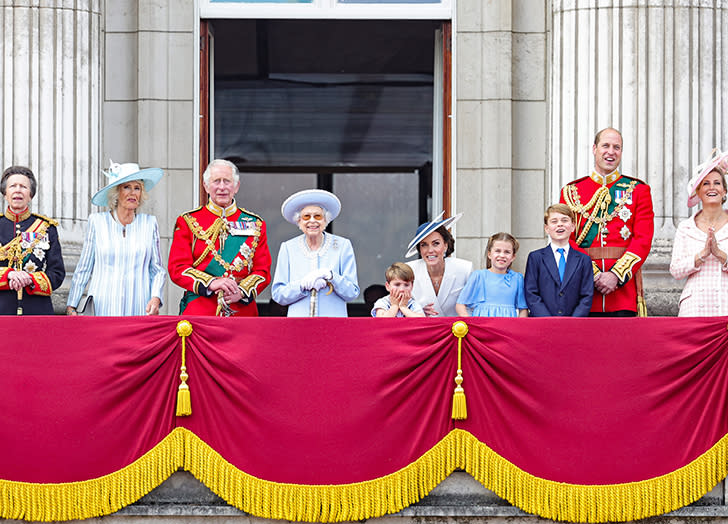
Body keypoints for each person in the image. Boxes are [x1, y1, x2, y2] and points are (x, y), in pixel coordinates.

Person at [560, 127, 654, 316]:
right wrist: (593, 274)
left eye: (616, 147)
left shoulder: (637, 190)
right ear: (594, 149)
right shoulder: (572, 192)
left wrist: (616, 276)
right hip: (584, 290)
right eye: (606, 146)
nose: (611, 152)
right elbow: (565, 239)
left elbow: (642, 240)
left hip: (622, 292)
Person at [168, 159, 271, 316]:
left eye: (227, 181)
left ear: (236, 187)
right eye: (216, 181)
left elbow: (262, 271)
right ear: (206, 186)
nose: (222, 187)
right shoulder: (188, 221)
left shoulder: (256, 224)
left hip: (241, 310)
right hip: (200, 309)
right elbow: (178, 268)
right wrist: (212, 283)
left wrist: (242, 292)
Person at [66, 161, 166, 316]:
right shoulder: (97, 222)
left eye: (137, 188)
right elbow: (84, 267)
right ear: (116, 192)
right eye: (127, 187)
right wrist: (72, 305)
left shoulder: (149, 223)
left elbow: (157, 270)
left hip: (139, 308)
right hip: (103, 307)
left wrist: (155, 298)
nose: (132, 193)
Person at [272, 189, 359, 317]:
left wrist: (331, 276)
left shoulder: (342, 246)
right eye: (306, 217)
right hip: (299, 325)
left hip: (334, 324)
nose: (312, 221)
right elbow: (278, 294)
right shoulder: (288, 248)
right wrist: (301, 285)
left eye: (318, 216)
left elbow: (352, 292)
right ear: (299, 221)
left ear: (325, 220)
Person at [670, 149, 728, 316]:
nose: (712, 188)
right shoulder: (686, 227)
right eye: (706, 183)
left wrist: (720, 254)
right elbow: (675, 270)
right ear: (698, 192)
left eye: (717, 183)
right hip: (694, 308)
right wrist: (701, 255)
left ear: (724, 191)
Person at [0, 165, 65, 315]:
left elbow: (57, 272)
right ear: (5, 193)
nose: (17, 190)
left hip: (37, 311)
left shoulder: (46, 228)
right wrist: (8, 275)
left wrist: (29, 279)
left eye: (23, 187)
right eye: (13, 186)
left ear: (30, 195)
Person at [524, 204, 593, 317]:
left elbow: (586, 295)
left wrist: (573, 321)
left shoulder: (583, 260)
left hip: (573, 325)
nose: (559, 224)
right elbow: (531, 293)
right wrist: (548, 320)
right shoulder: (535, 258)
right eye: (554, 221)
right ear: (547, 228)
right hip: (542, 324)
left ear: (573, 226)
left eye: (564, 220)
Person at [405, 211, 472, 317]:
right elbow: (398, 307)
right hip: (423, 330)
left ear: (445, 245)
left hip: (457, 330)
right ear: (419, 249)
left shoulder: (464, 269)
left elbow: (474, 307)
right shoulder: (409, 270)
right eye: (424, 245)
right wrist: (418, 311)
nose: (430, 250)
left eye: (436, 243)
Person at [455, 232, 528, 317]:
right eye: (497, 251)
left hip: (508, 327)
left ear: (513, 257)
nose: (502, 255)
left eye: (507, 252)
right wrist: (471, 325)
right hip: (482, 327)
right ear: (489, 254)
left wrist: (518, 327)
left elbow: (523, 309)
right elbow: (460, 305)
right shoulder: (478, 276)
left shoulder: (517, 279)